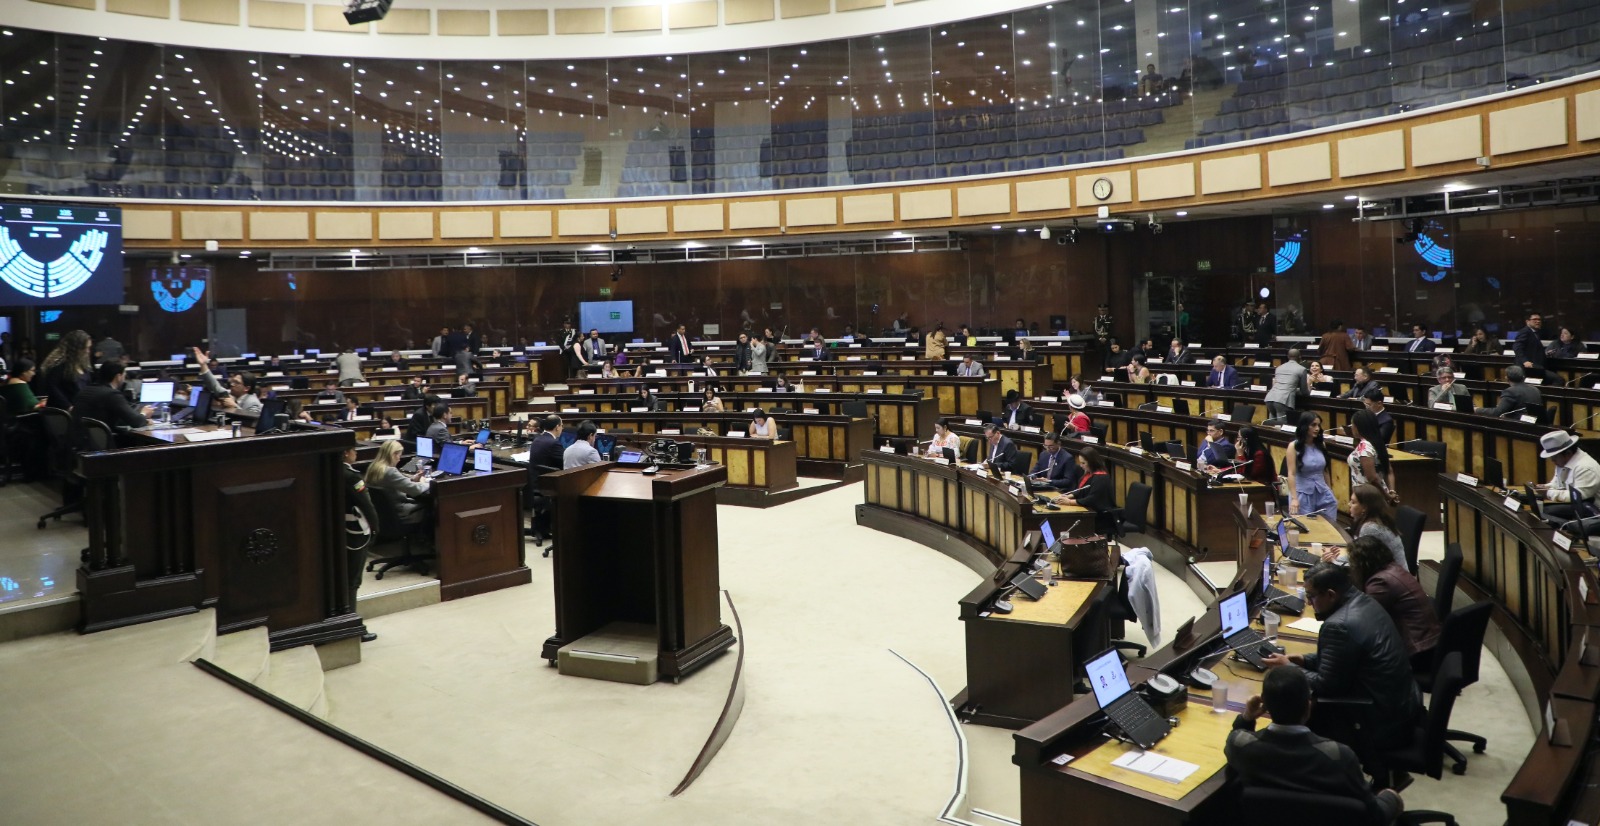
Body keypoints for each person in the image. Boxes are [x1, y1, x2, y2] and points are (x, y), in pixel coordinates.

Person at [1261, 564, 1423, 755]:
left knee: (1291, 713)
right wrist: (1304, 660)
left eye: (1311, 596)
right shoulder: (1365, 601)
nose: (1309, 603)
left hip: (1378, 722)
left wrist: (1288, 668)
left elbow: (1326, 685)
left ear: (1331, 594)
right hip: (1401, 706)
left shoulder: (1338, 625)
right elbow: (1346, 658)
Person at [1224, 666, 1406, 825]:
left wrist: (1247, 717)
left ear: (1264, 704)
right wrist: (1391, 797)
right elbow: (1374, 816)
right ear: (1308, 706)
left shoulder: (1241, 748)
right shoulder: (1339, 756)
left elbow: (1236, 736)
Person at [1346, 535, 1440, 659]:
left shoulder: (1379, 583)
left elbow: (1363, 619)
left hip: (1416, 651)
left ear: (1361, 564)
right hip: (1429, 642)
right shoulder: (1394, 568)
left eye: (1352, 563)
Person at [1531, 430, 1600, 524]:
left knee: (1546, 511)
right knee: (1541, 508)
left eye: (1554, 457)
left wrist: (1548, 493)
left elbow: (1578, 496)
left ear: (1568, 453)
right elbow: (1557, 483)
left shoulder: (1585, 467)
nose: (1552, 460)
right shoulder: (1563, 461)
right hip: (1578, 505)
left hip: (1593, 511)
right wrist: (1546, 487)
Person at [363, 440, 431, 522]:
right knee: (432, 507)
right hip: (400, 513)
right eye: (399, 455)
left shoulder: (374, 467)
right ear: (393, 454)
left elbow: (394, 482)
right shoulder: (390, 471)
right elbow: (415, 489)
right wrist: (428, 483)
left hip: (383, 514)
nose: (399, 459)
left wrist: (412, 479)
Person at [1287, 412, 1337, 523]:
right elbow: (1291, 474)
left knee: (1329, 525)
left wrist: (1329, 490)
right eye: (1313, 425)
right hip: (1302, 494)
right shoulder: (1293, 446)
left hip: (1322, 492)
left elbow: (1325, 470)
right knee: (1306, 526)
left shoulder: (1321, 445)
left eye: (1318, 425)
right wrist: (1294, 498)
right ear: (1304, 426)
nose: (1317, 428)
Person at [72, 361, 154, 430]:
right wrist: (144, 414)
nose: (125, 378)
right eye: (124, 375)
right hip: (101, 442)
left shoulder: (85, 390)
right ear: (118, 377)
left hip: (79, 439)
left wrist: (139, 417)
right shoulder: (112, 395)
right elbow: (136, 422)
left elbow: (116, 418)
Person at [1346, 484, 1407, 569]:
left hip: (1391, 575)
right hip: (1391, 572)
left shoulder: (1370, 528)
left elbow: (1362, 563)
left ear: (1365, 507)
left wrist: (1335, 560)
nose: (1349, 504)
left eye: (1353, 502)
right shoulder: (1376, 519)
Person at [1347, 410, 1399, 503]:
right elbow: (1389, 471)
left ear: (1359, 427)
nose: (1351, 427)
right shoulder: (1378, 443)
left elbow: (1372, 478)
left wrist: (1387, 496)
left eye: (1352, 424)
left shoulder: (1364, 446)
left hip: (1366, 496)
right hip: (1379, 493)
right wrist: (1391, 492)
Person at [34, 329, 92, 410]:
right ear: (76, 348)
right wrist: (68, 406)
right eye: (85, 348)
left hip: (78, 409)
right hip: (61, 411)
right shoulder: (59, 365)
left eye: (89, 348)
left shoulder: (84, 367)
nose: (88, 351)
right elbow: (52, 388)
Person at [193, 347, 262, 415]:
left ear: (246, 388)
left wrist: (234, 407)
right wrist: (203, 365)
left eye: (236, 383)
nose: (231, 384)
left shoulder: (253, 403)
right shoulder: (231, 395)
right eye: (232, 381)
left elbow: (253, 420)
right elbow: (214, 386)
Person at [1051, 446, 1114, 512]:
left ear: (1092, 462)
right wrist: (1068, 496)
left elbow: (1092, 499)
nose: (1081, 466)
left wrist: (1069, 502)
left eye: (1083, 463)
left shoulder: (1101, 477)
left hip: (1099, 513)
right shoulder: (1089, 473)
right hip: (1087, 509)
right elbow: (1082, 490)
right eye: (1080, 463)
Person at [1477, 365, 1543, 418]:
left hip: (1518, 425)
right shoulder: (1535, 389)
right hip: (1535, 424)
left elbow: (1497, 412)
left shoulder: (1510, 392)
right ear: (1523, 377)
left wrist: (1477, 409)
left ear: (1507, 378)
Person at [1265, 348, 1309, 422]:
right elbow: (1304, 391)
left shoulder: (1279, 367)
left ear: (1288, 356)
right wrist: (1310, 391)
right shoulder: (1302, 369)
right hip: (1283, 400)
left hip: (1270, 397)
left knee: (1271, 424)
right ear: (1300, 357)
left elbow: (1283, 384)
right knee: (1281, 426)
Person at [1513, 313, 1546, 377]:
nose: (1538, 321)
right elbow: (1517, 347)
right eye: (1535, 319)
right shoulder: (1525, 331)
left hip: (1536, 367)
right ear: (1527, 321)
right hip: (1528, 368)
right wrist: (1525, 361)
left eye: (1539, 319)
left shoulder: (1536, 333)